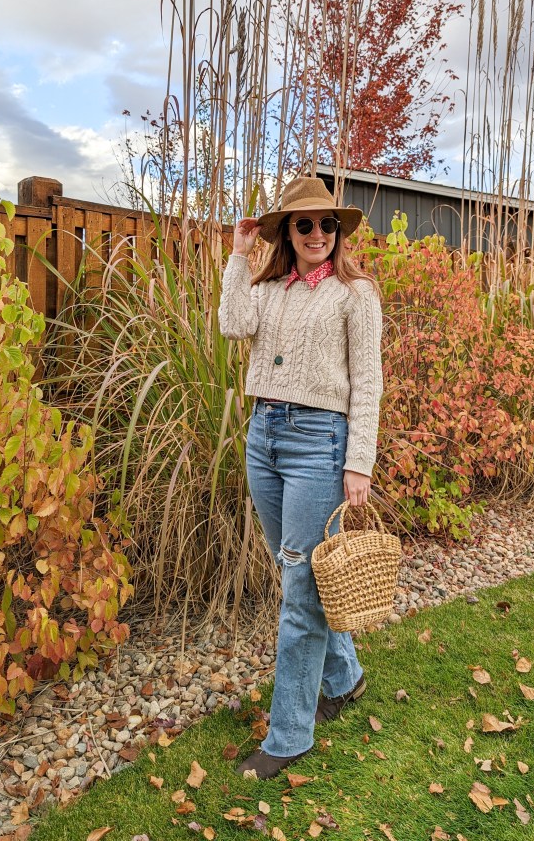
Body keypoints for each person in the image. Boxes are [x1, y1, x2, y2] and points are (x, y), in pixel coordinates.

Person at [218, 175, 383, 780]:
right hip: (263, 436)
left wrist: (358, 461)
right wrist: (239, 256)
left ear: (338, 232)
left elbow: (368, 382)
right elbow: (233, 324)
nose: (317, 234)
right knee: (296, 569)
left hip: (320, 442)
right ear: (287, 232)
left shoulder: (355, 294)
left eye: (326, 224)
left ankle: (289, 736)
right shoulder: (273, 288)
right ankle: (345, 675)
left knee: (300, 592)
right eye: (304, 224)